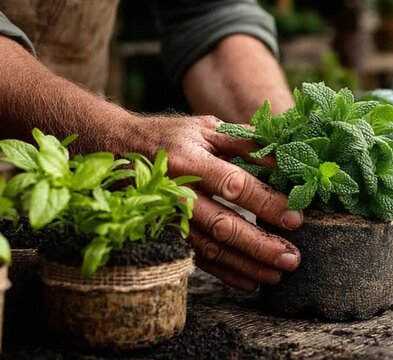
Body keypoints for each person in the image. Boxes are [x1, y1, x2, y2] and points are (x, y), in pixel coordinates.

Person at [0, 0, 303, 292]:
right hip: (75, 151)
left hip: (80, 195)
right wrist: (116, 137)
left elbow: (208, 13)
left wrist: (287, 145)